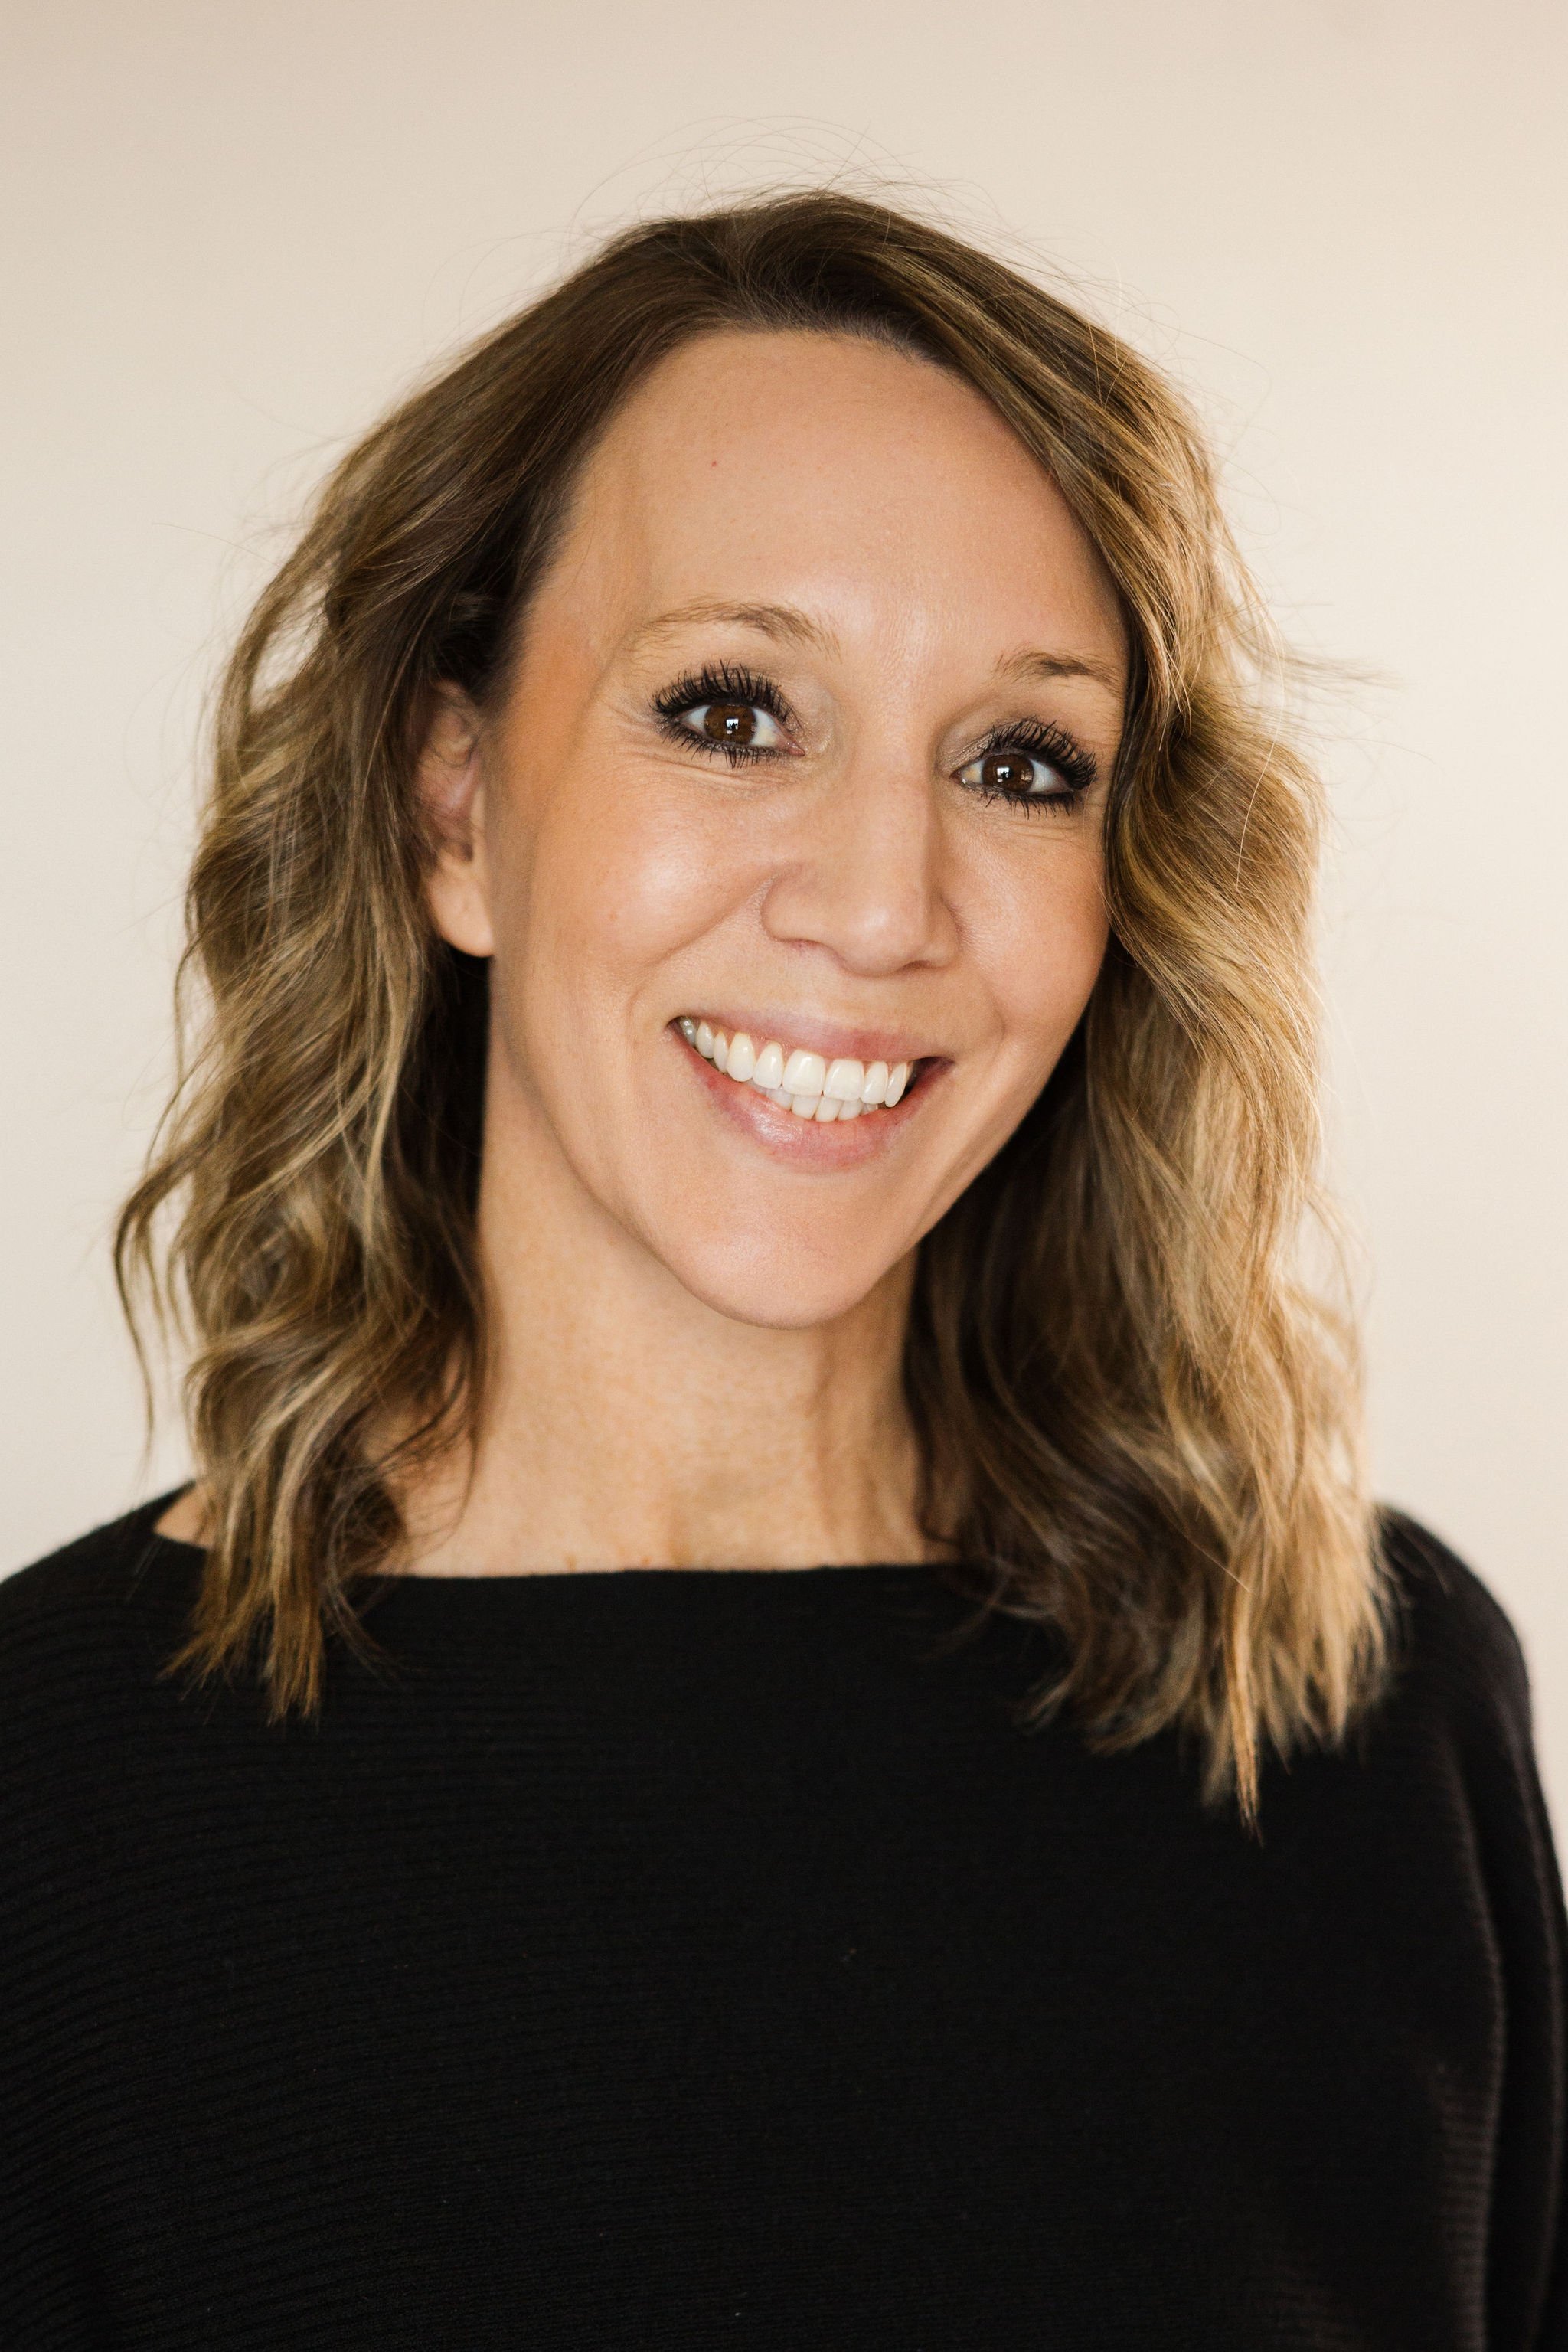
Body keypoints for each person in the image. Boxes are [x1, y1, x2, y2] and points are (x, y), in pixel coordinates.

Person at [2, 191, 1563, 2350]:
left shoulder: (1360, 1716)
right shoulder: (52, 1810)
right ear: (454, 805)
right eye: (734, 712)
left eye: (1024, 764)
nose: (882, 901)